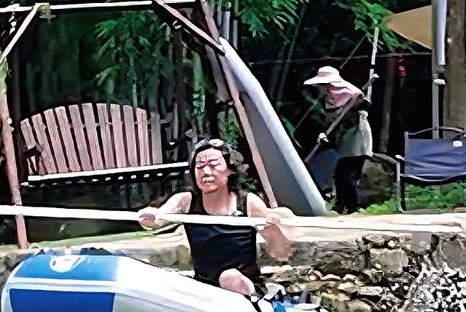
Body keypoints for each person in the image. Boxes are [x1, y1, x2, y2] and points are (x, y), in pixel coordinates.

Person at [139, 139, 294, 298]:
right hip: (206, 290)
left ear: (230, 170)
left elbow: (281, 254)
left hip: (245, 289)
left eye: (213, 165)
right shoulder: (186, 200)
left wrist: (274, 233)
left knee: (230, 278)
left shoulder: (249, 202)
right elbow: (158, 218)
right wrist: (149, 217)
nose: (206, 172)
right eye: (200, 166)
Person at [303, 65, 373, 213]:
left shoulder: (351, 96)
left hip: (356, 136)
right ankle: (340, 204)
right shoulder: (329, 99)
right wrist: (322, 133)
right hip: (343, 138)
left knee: (347, 174)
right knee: (340, 174)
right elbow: (329, 122)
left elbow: (362, 103)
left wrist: (356, 105)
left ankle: (353, 207)